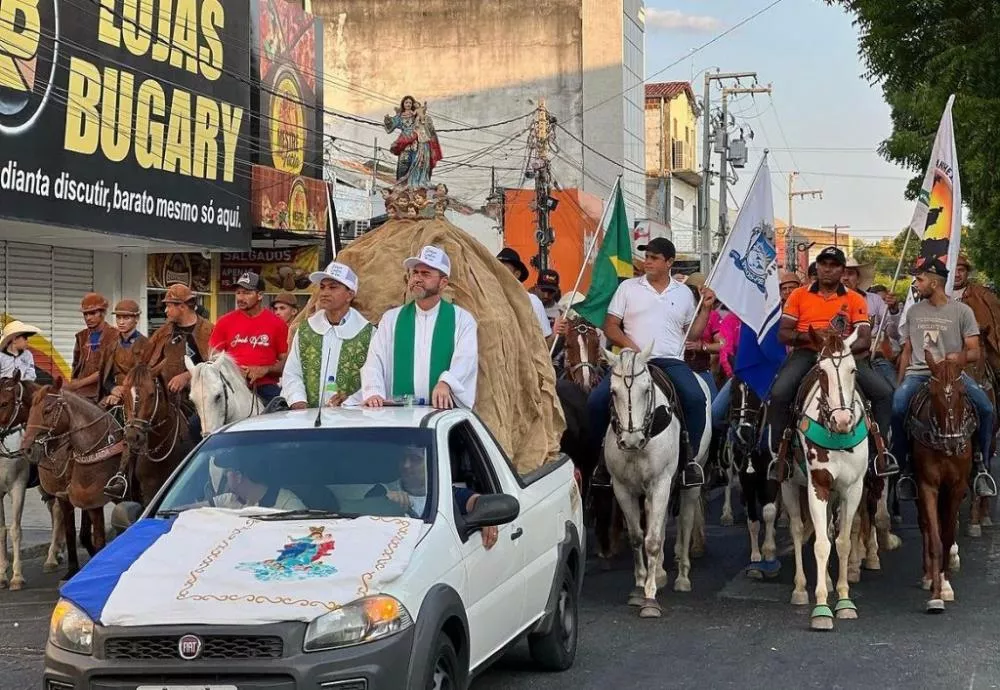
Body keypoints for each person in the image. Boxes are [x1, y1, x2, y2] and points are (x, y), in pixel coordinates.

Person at [587, 237, 717, 485]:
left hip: (670, 361)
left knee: (696, 398)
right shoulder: (628, 288)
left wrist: (707, 310)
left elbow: (693, 334)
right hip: (631, 361)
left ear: (669, 262)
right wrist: (634, 349)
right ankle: (600, 464)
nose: (647, 262)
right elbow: (611, 326)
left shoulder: (683, 294)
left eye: (654, 258)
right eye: (646, 257)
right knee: (595, 402)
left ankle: (689, 461)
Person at [766, 246, 896, 474]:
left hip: (847, 356)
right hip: (807, 353)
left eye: (834, 265)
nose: (827, 269)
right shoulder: (799, 295)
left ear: (842, 271)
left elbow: (864, 339)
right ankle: (781, 454)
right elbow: (783, 333)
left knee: (884, 392)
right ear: (817, 267)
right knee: (779, 392)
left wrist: (838, 348)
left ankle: (880, 452)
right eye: (823, 264)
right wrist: (813, 337)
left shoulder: (855, 299)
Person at [891, 259, 997, 501]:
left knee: (986, 408)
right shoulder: (914, 311)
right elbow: (907, 350)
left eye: (920, 280)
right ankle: (904, 467)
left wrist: (959, 357)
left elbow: (974, 351)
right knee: (897, 407)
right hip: (918, 374)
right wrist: (900, 383)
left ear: (935, 282)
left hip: (951, 375)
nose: (916, 284)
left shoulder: (962, 312)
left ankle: (981, 467)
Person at [362, 246, 478, 409]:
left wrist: (446, 383)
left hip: (441, 413)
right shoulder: (392, 319)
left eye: (426, 274)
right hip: (398, 413)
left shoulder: (462, 319)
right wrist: (373, 391)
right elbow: (375, 360)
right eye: (415, 273)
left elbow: (466, 360)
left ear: (443, 282)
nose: (417, 278)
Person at [711, 271, 801, 431]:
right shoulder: (733, 319)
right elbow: (725, 352)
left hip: (779, 374)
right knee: (715, 413)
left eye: (792, 288)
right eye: (784, 288)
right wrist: (737, 375)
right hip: (743, 373)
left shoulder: (783, 318)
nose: (788, 292)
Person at [282, 262, 374, 409]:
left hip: (352, 420)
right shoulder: (306, 330)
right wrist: (297, 401)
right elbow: (292, 372)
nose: (324, 293)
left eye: (333, 287)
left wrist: (351, 400)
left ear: (349, 295)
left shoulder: (368, 334)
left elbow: (376, 379)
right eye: (322, 287)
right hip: (307, 418)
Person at [376, 446, 498, 549]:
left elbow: (476, 502)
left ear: (431, 462)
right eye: (403, 458)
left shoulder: (445, 494)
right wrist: (382, 501)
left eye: (415, 459)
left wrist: (487, 516)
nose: (406, 465)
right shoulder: (382, 491)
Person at [209, 271, 289, 405]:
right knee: (196, 424)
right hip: (229, 385)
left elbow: (286, 361)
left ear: (260, 295)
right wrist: (234, 370)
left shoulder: (277, 324)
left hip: (264, 386)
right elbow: (212, 356)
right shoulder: (224, 321)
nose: (240, 297)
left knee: (285, 411)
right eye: (238, 292)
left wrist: (265, 369)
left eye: (247, 293)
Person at [143, 284, 215, 394]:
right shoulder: (162, 333)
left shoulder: (209, 331)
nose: (166, 310)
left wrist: (188, 375)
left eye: (169, 306)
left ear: (182, 306)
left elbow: (217, 365)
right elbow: (147, 362)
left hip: (204, 397)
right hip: (169, 398)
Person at [842, 259, 899, 389]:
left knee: (893, 392)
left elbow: (893, 332)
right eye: (842, 273)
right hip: (840, 360)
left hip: (874, 358)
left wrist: (894, 310)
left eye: (850, 273)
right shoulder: (829, 301)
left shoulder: (875, 300)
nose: (845, 278)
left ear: (858, 278)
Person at [496, 248, 561, 345]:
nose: (498, 274)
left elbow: (544, 347)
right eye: (495, 269)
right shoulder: (484, 300)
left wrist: (555, 333)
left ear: (517, 274)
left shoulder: (532, 303)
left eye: (503, 270)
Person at [65, 293, 117, 402]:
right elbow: (76, 364)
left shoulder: (114, 336)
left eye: (93, 313)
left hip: (103, 393)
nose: (88, 318)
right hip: (80, 393)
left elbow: (106, 369)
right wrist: (74, 383)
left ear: (103, 313)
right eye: (85, 314)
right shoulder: (81, 336)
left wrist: (78, 384)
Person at [211, 455, 307, 511]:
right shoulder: (229, 499)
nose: (224, 475)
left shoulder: (286, 503)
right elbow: (197, 510)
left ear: (238, 476)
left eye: (226, 472)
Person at [100, 300, 148, 408]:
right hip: (113, 396)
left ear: (136, 319)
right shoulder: (111, 345)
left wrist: (125, 393)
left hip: (138, 399)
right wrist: (112, 389)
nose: (121, 322)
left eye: (126, 318)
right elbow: (105, 376)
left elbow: (148, 380)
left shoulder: (147, 345)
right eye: (118, 317)